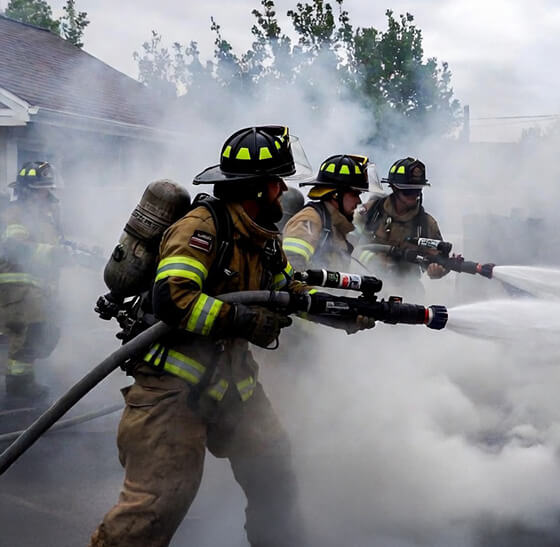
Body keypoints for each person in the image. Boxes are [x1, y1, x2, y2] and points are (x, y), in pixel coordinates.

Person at [92, 126, 331, 547]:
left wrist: (340, 310)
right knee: (154, 509)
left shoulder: (261, 236)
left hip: (234, 385)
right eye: (277, 183)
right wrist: (244, 321)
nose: (282, 191)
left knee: (275, 475)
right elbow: (174, 299)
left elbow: (286, 287)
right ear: (257, 188)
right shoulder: (201, 229)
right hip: (172, 391)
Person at [0, 161, 62, 401]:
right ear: (27, 191)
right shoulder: (15, 213)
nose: (45, 194)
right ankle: (18, 384)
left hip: (36, 288)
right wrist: (52, 253)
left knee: (42, 333)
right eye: (40, 189)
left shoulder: (44, 218)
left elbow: (51, 245)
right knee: (27, 333)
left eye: (46, 189)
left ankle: (22, 379)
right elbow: (15, 247)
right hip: (16, 286)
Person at [353, 157, 447, 284]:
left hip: (405, 287)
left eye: (417, 190)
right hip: (366, 281)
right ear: (394, 189)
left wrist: (438, 270)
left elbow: (440, 259)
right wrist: (374, 261)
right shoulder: (370, 212)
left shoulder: (427, 224)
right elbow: (347, 246)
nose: (414, 195)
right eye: (408, 191)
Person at [282, 154, 369, 272]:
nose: (359, 201)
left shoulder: (336, 225)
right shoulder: (310, 220)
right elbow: (292, 265)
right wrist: (310, 285)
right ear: (336, 195)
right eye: (354, 194)